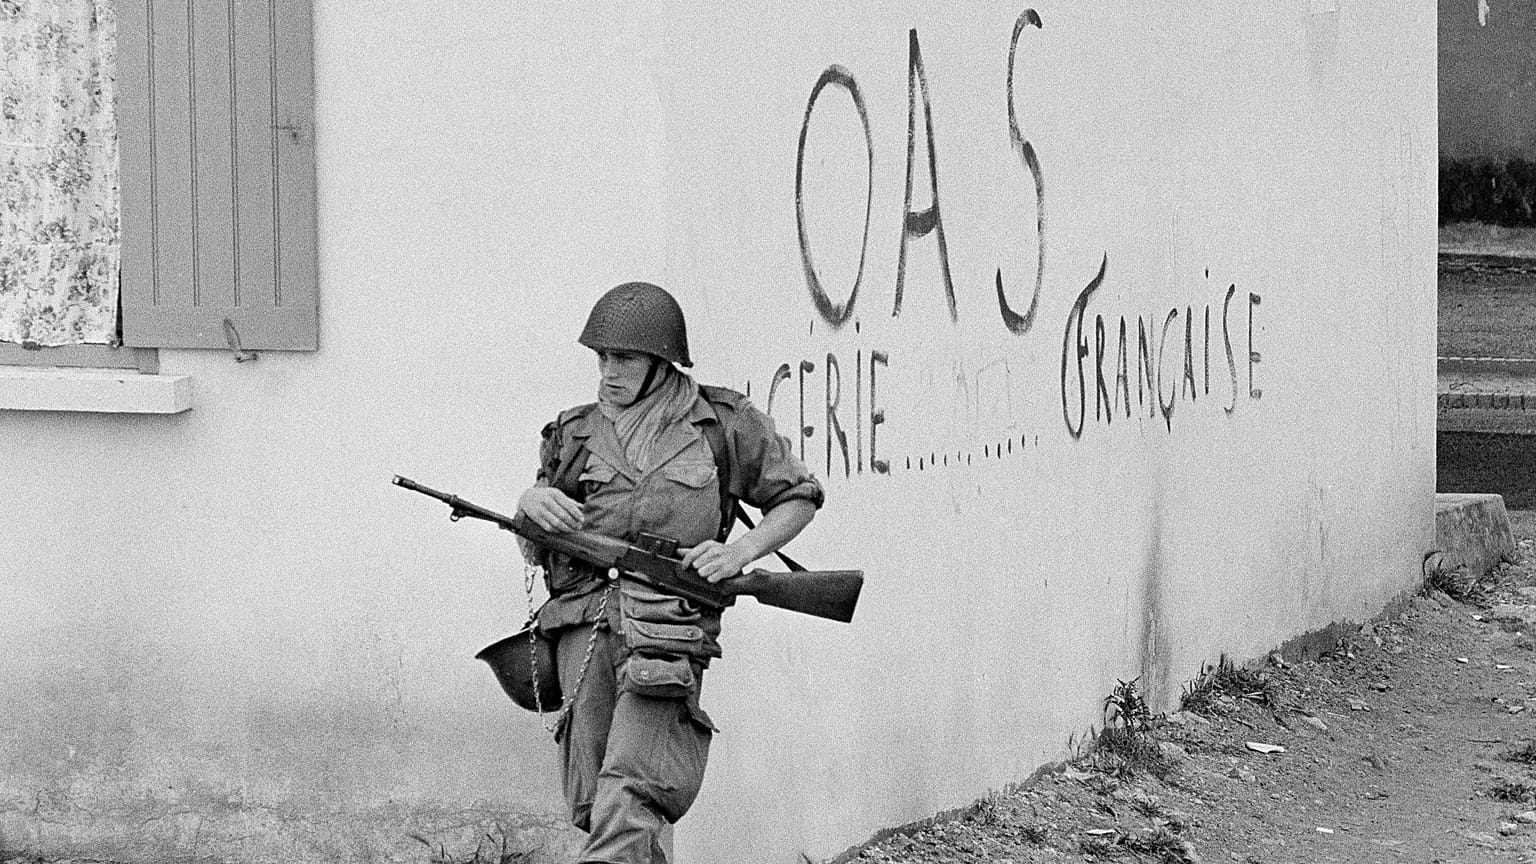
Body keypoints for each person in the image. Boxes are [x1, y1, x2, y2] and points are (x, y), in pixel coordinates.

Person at [515, 281, 824, 863]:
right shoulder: (573, 433)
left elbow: (799, 497)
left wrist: (742, 552)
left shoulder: (721, 424)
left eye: (625, 359)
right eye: (602, 358)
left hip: (669, 627)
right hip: (584, 626)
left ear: (662, 362)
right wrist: (530, 507)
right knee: (595, 800)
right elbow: (535, 547)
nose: (609, 373)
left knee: (634, 788)